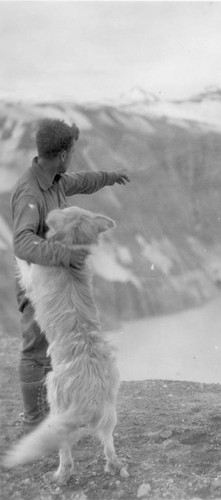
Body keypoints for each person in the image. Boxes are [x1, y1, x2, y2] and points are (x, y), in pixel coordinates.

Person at [11, 118, 130, 433]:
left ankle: (53, 413)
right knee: (35, 346)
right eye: (72, 152)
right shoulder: (30, 193)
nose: (73, 159)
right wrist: (64, 254)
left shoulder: (55, 179)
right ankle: (33, 421)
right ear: (63, 154)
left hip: (56, 280)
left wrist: (109, 177)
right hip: (38, 283)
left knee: (55, 347)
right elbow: (21, 242)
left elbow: (82, 180)